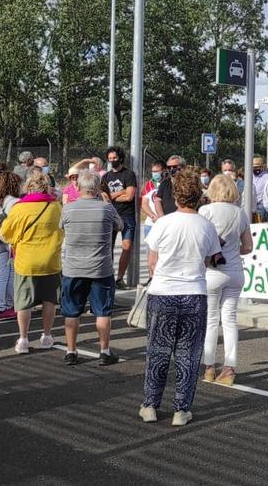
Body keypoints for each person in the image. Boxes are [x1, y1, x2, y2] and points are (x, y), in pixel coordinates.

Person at [140, 168, 221, 427]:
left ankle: (150, 405)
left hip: (163, 292)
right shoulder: (206, 226)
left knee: (158, 351)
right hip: (194, 293)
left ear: (175, 197)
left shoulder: (163, 223)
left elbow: (152, 263)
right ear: (199, 196)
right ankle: (181, 409)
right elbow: (209, 260)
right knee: (188, 353)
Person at [59, 172, 120, 366]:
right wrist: (107, 202)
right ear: (98, 188)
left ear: (78, 187)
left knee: (71, 312)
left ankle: (71, 351)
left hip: (73, 267)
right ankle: (104, 351)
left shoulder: (67, 209)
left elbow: (62, 227)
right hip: (100, 267)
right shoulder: (107, 209)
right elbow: (120, 224)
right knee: (103, 312)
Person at [0, 170, 63, 354]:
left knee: (24, 302)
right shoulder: (56, 207)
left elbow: (3, 234)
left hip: (26, 260)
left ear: (28, 188)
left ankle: (23, 339)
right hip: (50, 259)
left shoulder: (19, 208)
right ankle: (47, 335)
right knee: (49, 300)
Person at [199, 174, 253, 385]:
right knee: (230, 320)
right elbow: (248, 247)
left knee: (211, 320)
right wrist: (230, 251)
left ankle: (210, 367)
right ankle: (229, 368)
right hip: (235, 271)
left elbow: (201, 242)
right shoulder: (240, 214)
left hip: (212, 272)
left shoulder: (206, 211)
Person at [102, 146, 139, 289]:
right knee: (108, 247)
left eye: (114, 158)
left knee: (127, 246)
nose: (112, 161)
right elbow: (105, 197)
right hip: (111, 214)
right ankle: (108, 276)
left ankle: (119, 278)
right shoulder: (106, 176)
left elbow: (129, 197)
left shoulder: (129, 175)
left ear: (120, 158)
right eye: (110, 159)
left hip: (127, 215)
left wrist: (113, 196)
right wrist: (120, 192)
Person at [0, 171, 22, 321]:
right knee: (7, 275)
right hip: (8, 242)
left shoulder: (0, 200)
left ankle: (6, 305)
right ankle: (3, 306)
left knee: (4, 274)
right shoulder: (13, 202)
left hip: (0, 241)